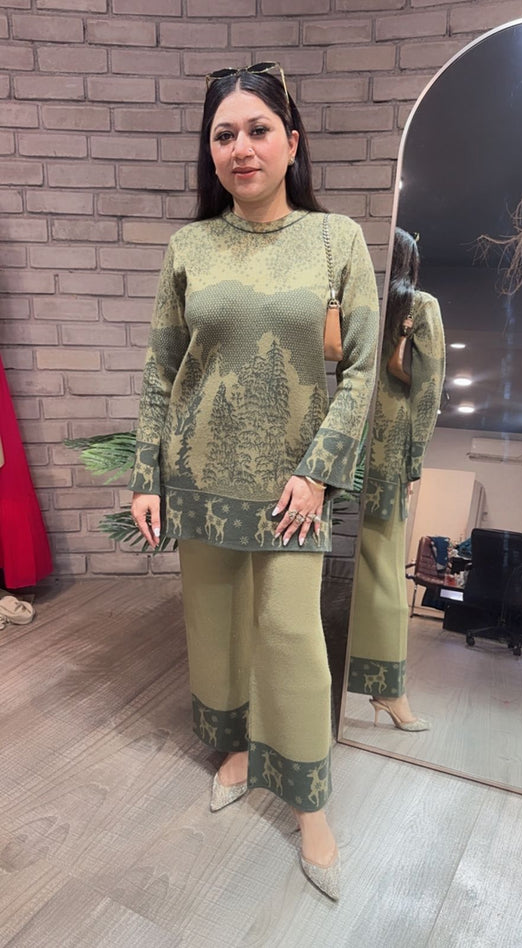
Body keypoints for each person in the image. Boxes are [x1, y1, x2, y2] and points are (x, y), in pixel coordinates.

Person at [129, 62, 379, 900]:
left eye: (258, 130)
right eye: (224, 134)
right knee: (216, 625)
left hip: (291, 489)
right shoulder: (189, 247)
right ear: (210, 151)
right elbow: (162, 369)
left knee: (290, 636)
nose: (241, 147)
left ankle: (308, 801)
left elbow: (362, 372)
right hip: (197, 475)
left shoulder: (335, 239)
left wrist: (318, 474)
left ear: (291, 142)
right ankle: (236, 748)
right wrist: (146, 473)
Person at [348, 227, 445, 728]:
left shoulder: (367, 306)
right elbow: (428, 390)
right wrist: (413, 462)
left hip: (347, 449)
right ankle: (387, 689)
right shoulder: (419, 306)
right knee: (384, 573)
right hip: (382, 455)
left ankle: (376, 683)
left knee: (359, 570)